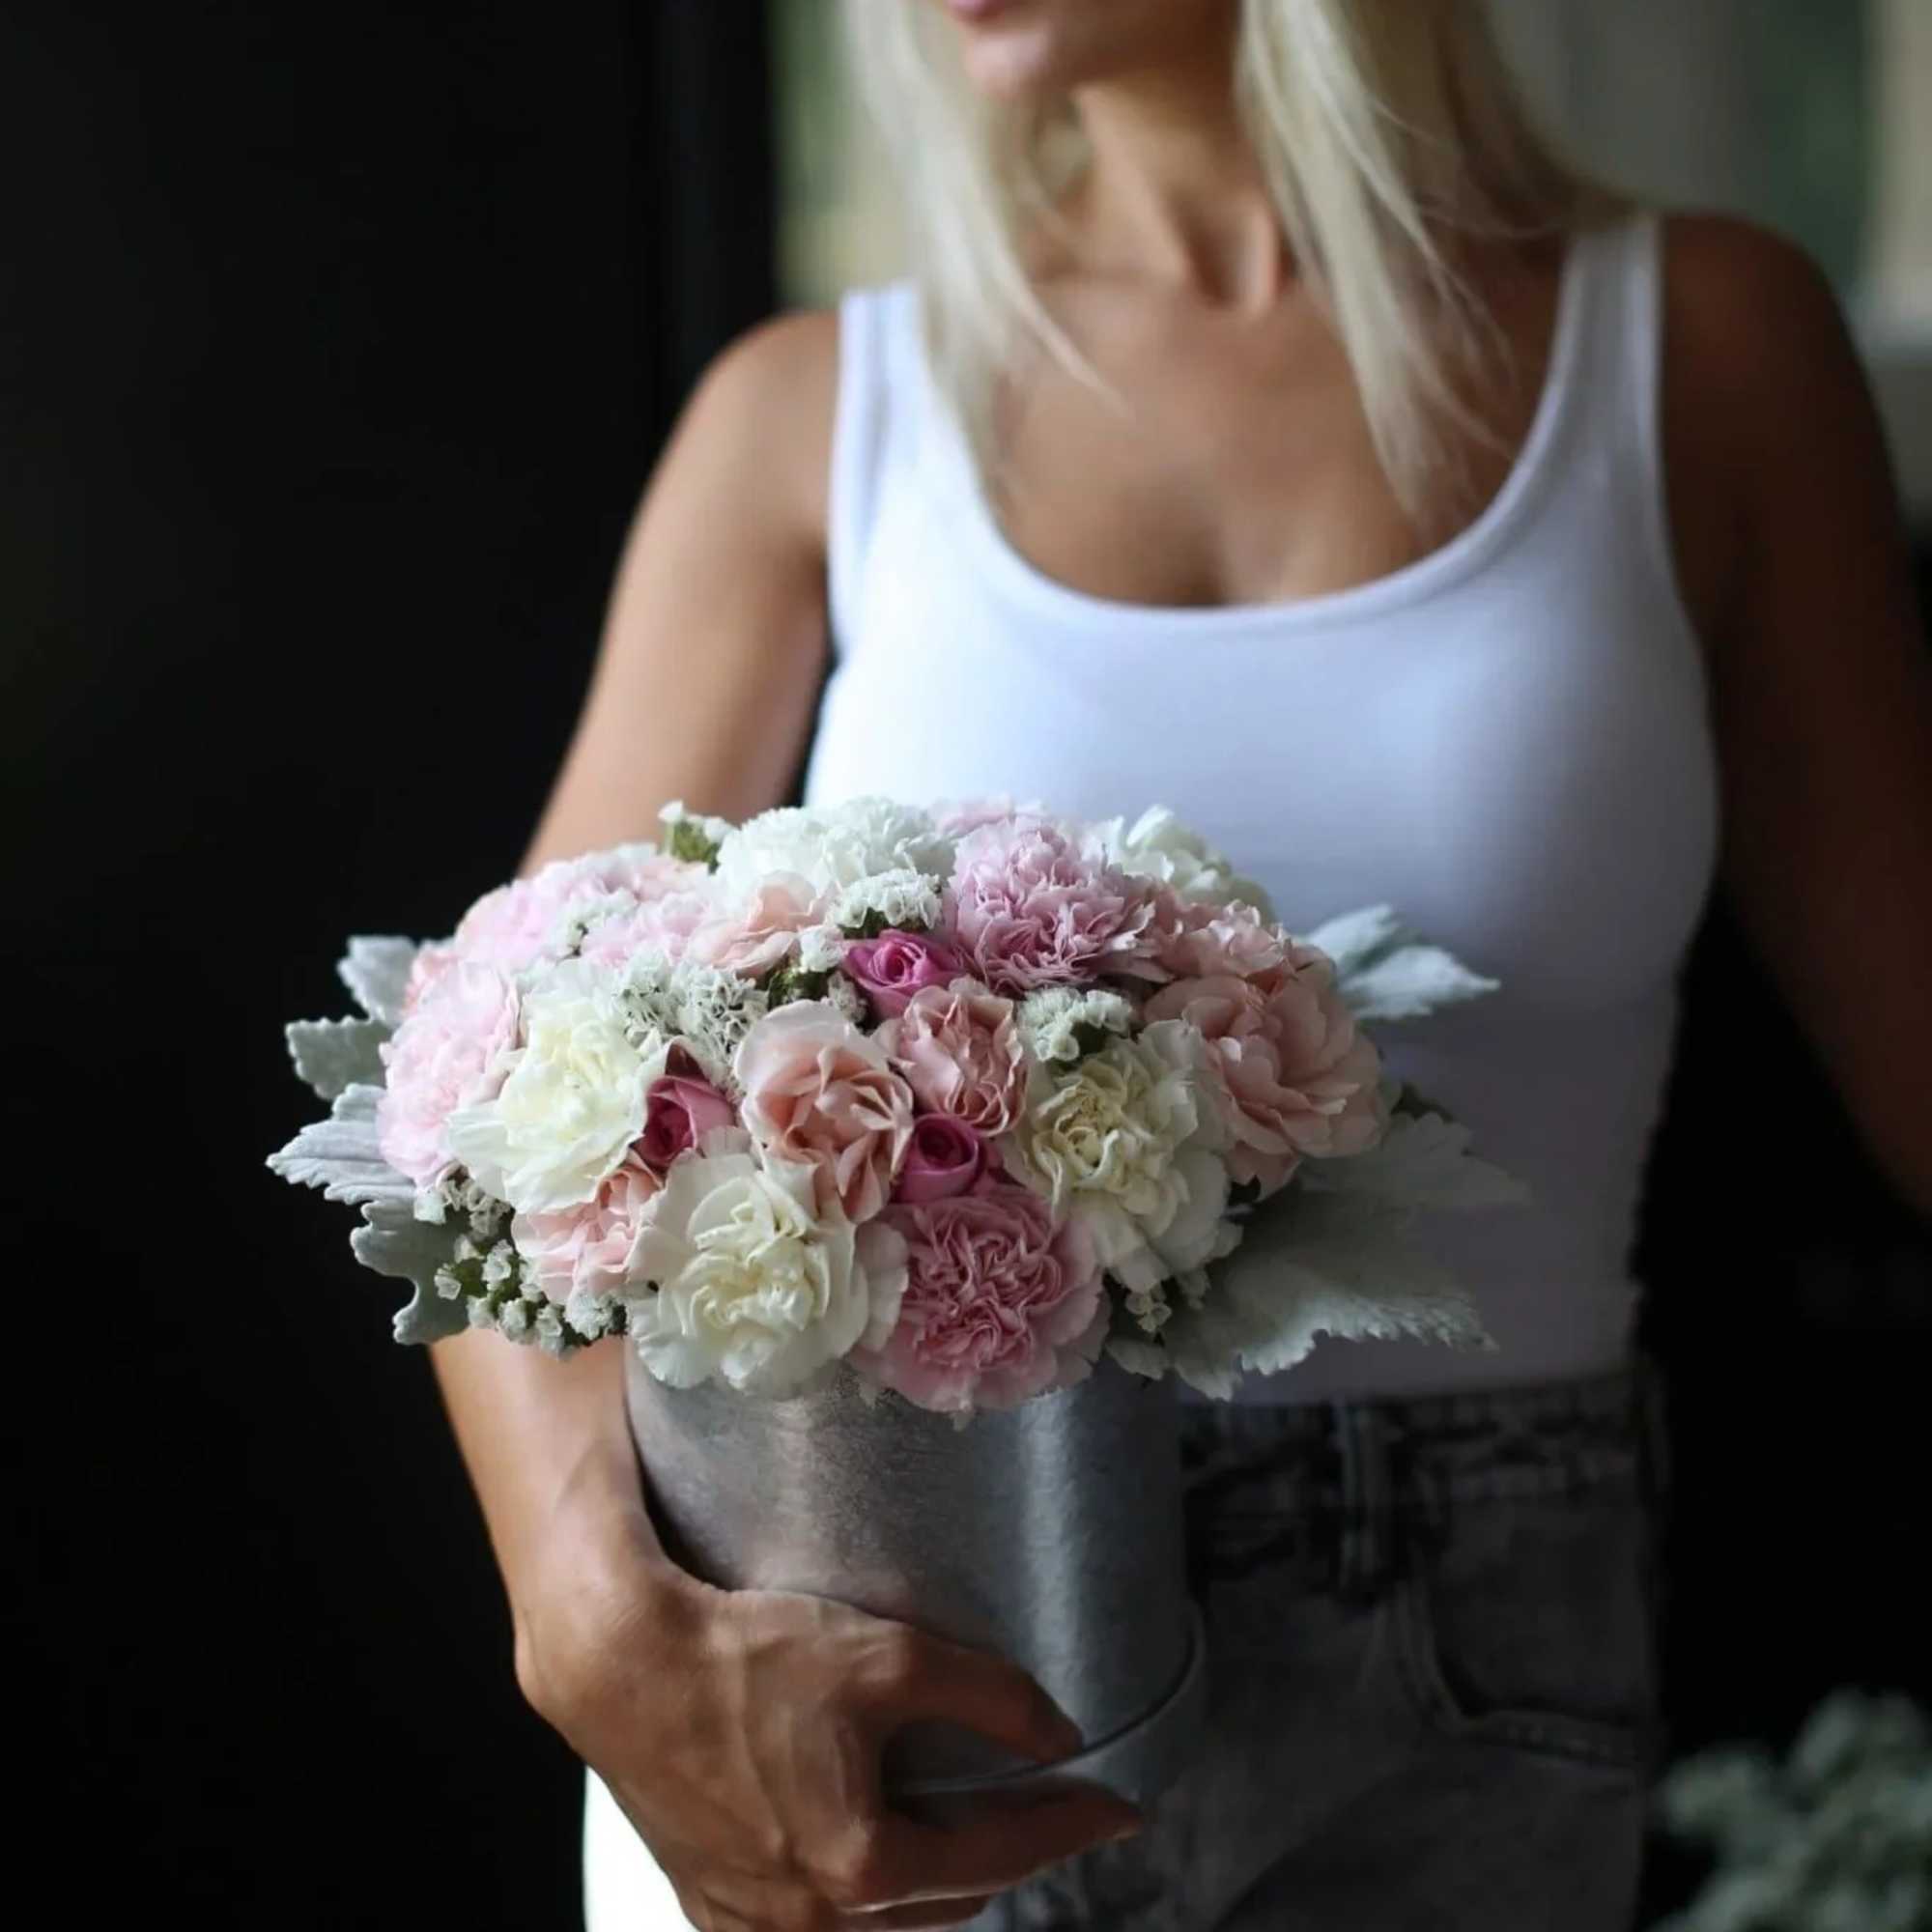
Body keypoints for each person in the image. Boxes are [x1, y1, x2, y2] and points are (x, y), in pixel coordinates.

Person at [428, 2, 1932, 1928]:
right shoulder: (815, 411)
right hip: (885, 1635)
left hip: (1468, 1696)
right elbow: (499, 1115)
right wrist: (588, 1617)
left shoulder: (1701, 347)